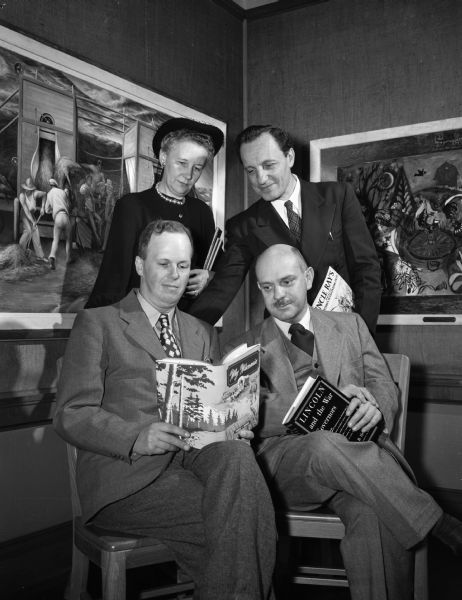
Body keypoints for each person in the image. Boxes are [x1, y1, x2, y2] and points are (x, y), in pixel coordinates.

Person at [224, 243, 462, 600]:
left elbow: (382, 383)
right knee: (323, 442)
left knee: (376, 513)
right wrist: (295, 406)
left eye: (287, 281)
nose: (279, 294)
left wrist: (376, 408)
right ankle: (441, 524)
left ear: (307, 278)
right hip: (286, 468)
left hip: (358, 466)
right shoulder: (244, 348)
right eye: (267, 287)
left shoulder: (349, 325)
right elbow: (239, 417)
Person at [54, 220, 276, 600]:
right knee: (246, 520)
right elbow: (71, 412)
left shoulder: (200, 330)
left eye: (183, 266)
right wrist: (137, 437)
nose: (175, 276)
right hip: (127, 476)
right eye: (164, 264)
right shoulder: (99, 323)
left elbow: (214, 403)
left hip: (195, 462)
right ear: (140, 265)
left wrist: (232, 423)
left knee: (238, 458)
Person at [189, 124, 382, 334]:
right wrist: (180, 333)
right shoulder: (244, 226)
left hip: (343, 333)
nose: (261, 179)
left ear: (289, 157)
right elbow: (221, 289)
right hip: (287, 343)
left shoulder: (338, 196)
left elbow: (366, 270)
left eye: (269, 165)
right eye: (251, 170)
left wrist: (362, 337)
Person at [85, 117, 224, 310]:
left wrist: (209, 277)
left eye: (197, 168)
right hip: (138, 325)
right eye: (182, 163)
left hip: (188, 325)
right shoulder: (131, 207)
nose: (188, 174)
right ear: (163, 157)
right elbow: (113, 280)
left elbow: (223, 268)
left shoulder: (202, 212)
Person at [45, 178, 72, 269]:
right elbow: (68, 206)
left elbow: (46, 210)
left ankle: (52, 256)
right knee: (68, 239)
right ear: (56, 185)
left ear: (50, 185)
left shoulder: (49, 194)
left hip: (57, 217)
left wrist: (53, 209)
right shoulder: (62, 192)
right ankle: (68, 258)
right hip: (65, 216)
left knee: (56, 239)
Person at [17, 177, 47, 259]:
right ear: (24, 188)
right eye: (27, 188)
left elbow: (44, 194)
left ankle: (40, 256)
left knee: (35, 231)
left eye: (30, 189)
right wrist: (32, 221)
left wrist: (43, 207)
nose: (28, 190)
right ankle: (20, 251)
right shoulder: (22, 196)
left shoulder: (35, 193)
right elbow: (26, 211)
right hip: (24, 214)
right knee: (28, 230)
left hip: (31, 214)